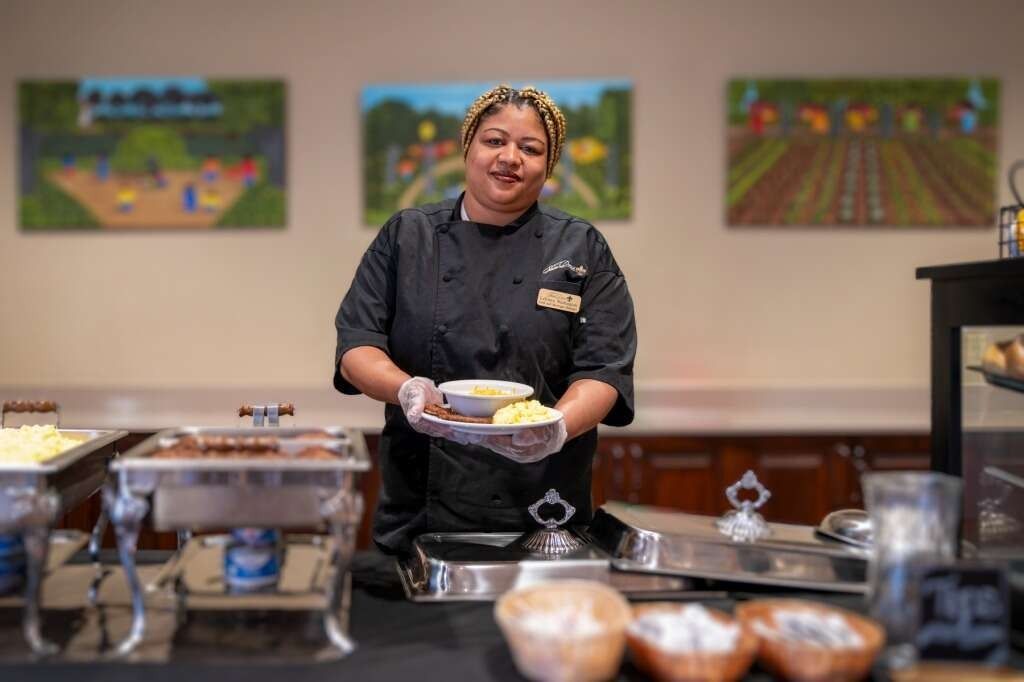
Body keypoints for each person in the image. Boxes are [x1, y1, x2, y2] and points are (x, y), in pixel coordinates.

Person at [333, 84, 636, 555]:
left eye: (530, 148)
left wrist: (555, 427)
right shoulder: (408, 236)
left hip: (544, 506)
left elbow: (605, 369)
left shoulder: (580, 249)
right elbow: (357, 345)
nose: (509, 157)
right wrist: (406, 389)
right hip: (421, 508)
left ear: (548, 165)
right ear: (468, 149)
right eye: (494, 141)